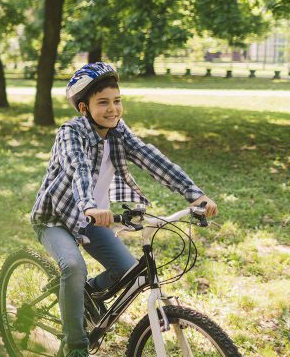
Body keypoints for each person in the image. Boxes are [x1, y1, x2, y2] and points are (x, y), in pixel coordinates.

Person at [30, 62, 219, 357]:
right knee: (74, 266)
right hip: (56, 218)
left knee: (128, 271)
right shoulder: (70, 133)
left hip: (92, 218)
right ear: (83, 108)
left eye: (117, 101)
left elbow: (152, 159)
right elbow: (77, 168)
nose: (113, 109)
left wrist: (194, 196)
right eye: (102, 102)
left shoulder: (119, 132)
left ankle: (81, 295)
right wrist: (90, 206)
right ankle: (76, 346)